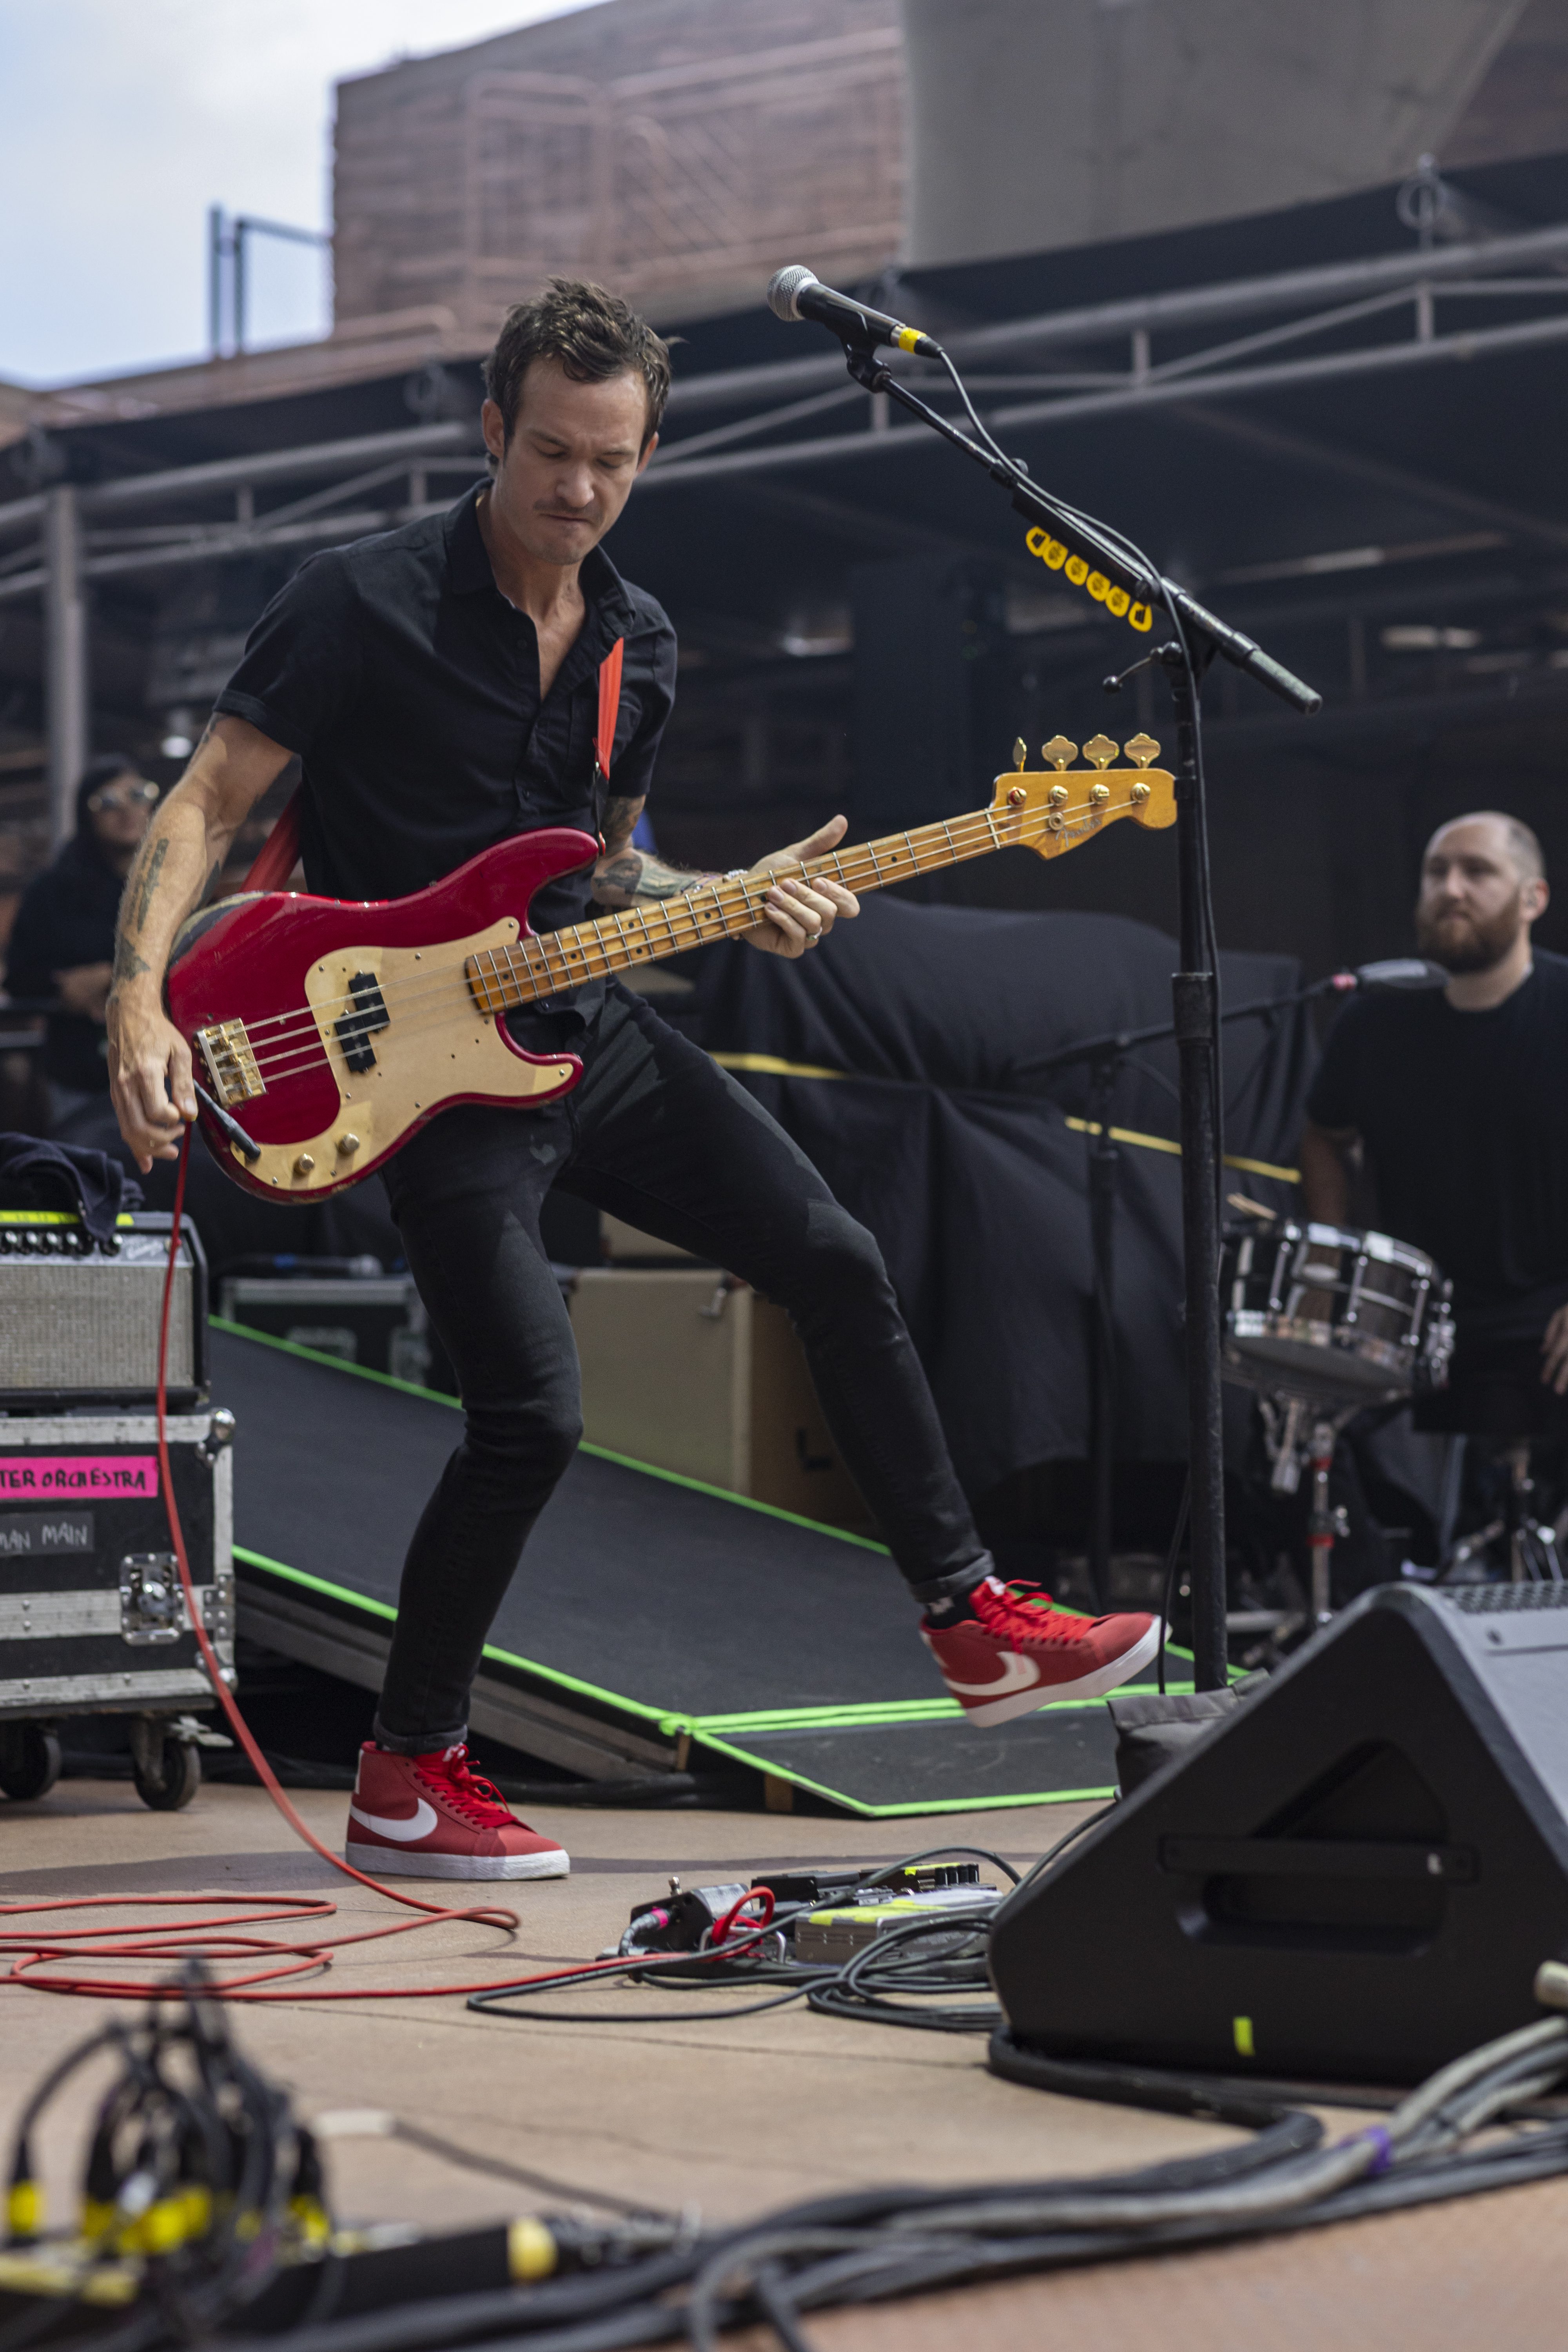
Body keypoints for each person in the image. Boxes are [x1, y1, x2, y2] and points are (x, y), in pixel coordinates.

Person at [105, 279, 1158, 1881]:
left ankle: (969, 1623)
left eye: (610, 461)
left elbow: (596, 876)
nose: (575, 490)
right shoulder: (358, 597)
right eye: (547, 453)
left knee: (835, 1257)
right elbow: (205, 801)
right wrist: (135, 1008)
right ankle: (407, 1771)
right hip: (415, 1067)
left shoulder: (635, 643)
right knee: (531, 1416)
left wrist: (745, 901)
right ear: (490, 431)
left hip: (578, 1032)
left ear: (648, 452)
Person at [1300, 810, 1568, 1432]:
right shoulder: (1372, 1017)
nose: (1451, 889)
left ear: (1534, 898)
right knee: (1297, 1428)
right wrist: (1330, 1253)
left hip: (1546, 1312)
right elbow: (1323, 1137)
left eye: (1478, 872)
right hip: (1408, 1312)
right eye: (1436, 872)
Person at [5, 758, 157, 1131]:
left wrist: (113, 977)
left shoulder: (171, 887)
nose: (126, 810)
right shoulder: (52, 892)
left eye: (138, 795)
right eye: (107, 801)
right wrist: (63, 986)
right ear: (85, 814)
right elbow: (19, 976)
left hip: (159, 1065)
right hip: (81, 1074)